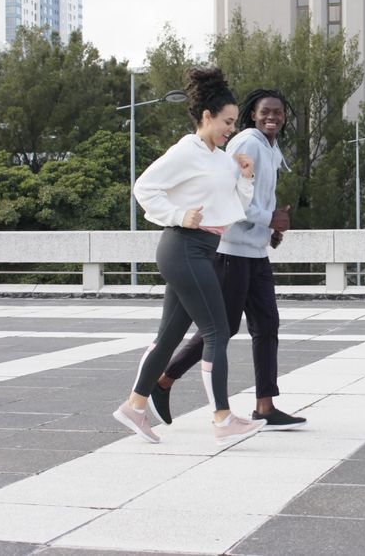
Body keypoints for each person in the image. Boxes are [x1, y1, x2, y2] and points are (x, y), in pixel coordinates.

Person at [113, 66, 267, 446]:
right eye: (227, 122)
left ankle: (134, 406)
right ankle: (222, 417)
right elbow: (144, 187)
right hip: (183, 245)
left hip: (200, 248)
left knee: (169, 337)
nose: (231, 129)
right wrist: (179, 215)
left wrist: (245, 177)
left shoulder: (220, 157)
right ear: (206, 117)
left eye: (234, 123)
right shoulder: (187, 150)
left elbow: (233, 208)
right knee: (217, 331)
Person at [148, 88, 307, 431]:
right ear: (253, 114)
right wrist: (267, 220)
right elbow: (232, 194)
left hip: (255, 251)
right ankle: (163, 380)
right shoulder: (247, 142)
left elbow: (259, 196)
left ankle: (265, 405)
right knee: (221, 329)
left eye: (278, 113)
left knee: (267, 325)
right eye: (266, 111)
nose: (272, 118)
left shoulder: (270, 146)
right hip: (231, 252)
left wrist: (269, 230)